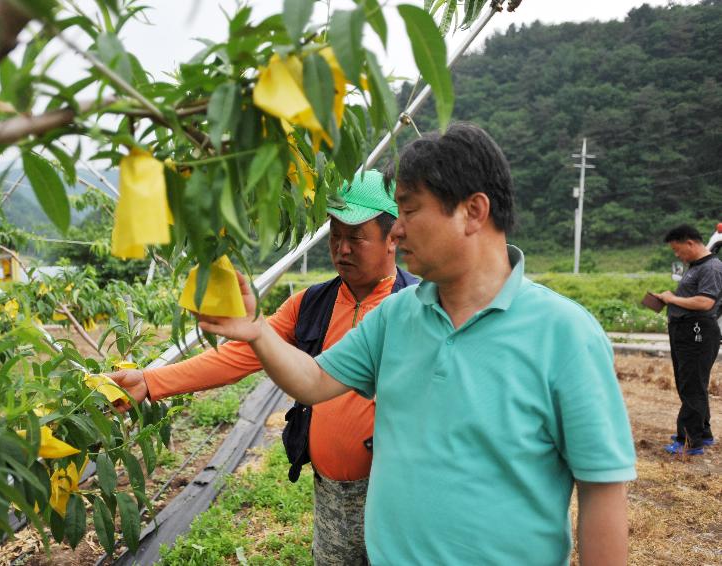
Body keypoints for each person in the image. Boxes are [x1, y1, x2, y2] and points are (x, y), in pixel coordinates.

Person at [193, 123, 636, 565]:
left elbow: (601, 489)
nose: (397, 231)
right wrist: (257, 330)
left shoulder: (565, 335)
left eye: (408, 211)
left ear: (473, 211)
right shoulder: (397, 315)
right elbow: (313, 380)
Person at [110, 169, 418, 565]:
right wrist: (151, 381)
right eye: (335, 235)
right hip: (331, 492)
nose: (342, 248)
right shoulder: (311, 304)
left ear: (392, 239)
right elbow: (239, 354)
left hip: (394, 490)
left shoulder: (416, 307)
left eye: (356, 238)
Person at [655, 224, 721, 456]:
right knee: (693, 384)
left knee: (692, 386)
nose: (677, 255)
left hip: (697, 331)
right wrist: (669, 299)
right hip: (686, 331)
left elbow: (705, 302)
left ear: (690, 243)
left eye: (677, 249)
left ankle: (689, 441)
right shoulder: (695, 267)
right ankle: (703, 433)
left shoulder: (711, 267)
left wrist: (672, 298)